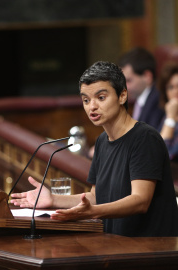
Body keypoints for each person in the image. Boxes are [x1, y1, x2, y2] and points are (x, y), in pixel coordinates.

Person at [11, 61, 178, 237]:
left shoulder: (144, 138)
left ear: (122, 96)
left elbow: (140, 201)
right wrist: (53, 199)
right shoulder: (101, 142)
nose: (92, 107)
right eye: (86, 100)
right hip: (116, 244)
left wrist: (94, 212)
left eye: (101, 97)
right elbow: (96, 197)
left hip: (151, 250)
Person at [118, 47, 164, 129]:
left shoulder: (159, 102)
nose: (123, 87)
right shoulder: (139, 99)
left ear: (147, 76)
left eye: (128, 80)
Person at [158, 62, 178, 162]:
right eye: (170, 87)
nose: (175, 91)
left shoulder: (170, 115)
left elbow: (167, 155)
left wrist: (170, 118)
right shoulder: (167, 114)